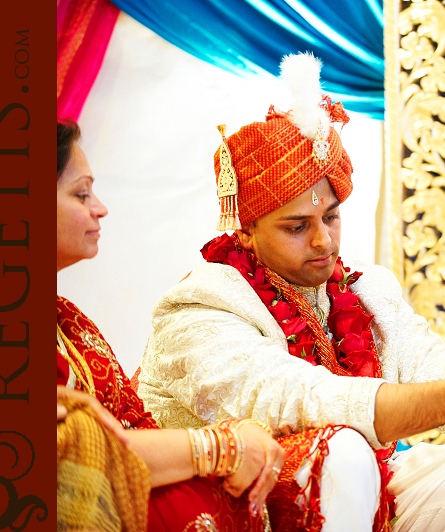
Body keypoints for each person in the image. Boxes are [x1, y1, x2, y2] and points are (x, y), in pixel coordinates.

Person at [136, 53, 445, 532]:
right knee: (341, 451)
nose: (323, 241)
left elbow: (431, 361)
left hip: (368, 490)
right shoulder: (199, 306)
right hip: (239, 508)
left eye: (330, 217)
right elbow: (307, 402)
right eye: (296, 226)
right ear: (246, 230)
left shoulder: (365, 289)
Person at [56, 119, 285, 531]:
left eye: (331, 217)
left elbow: (132, 425)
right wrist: (220, 445)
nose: (100, 208)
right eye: (81, 193)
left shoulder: (68, 320)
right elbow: (69, 453)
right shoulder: (203, 295)